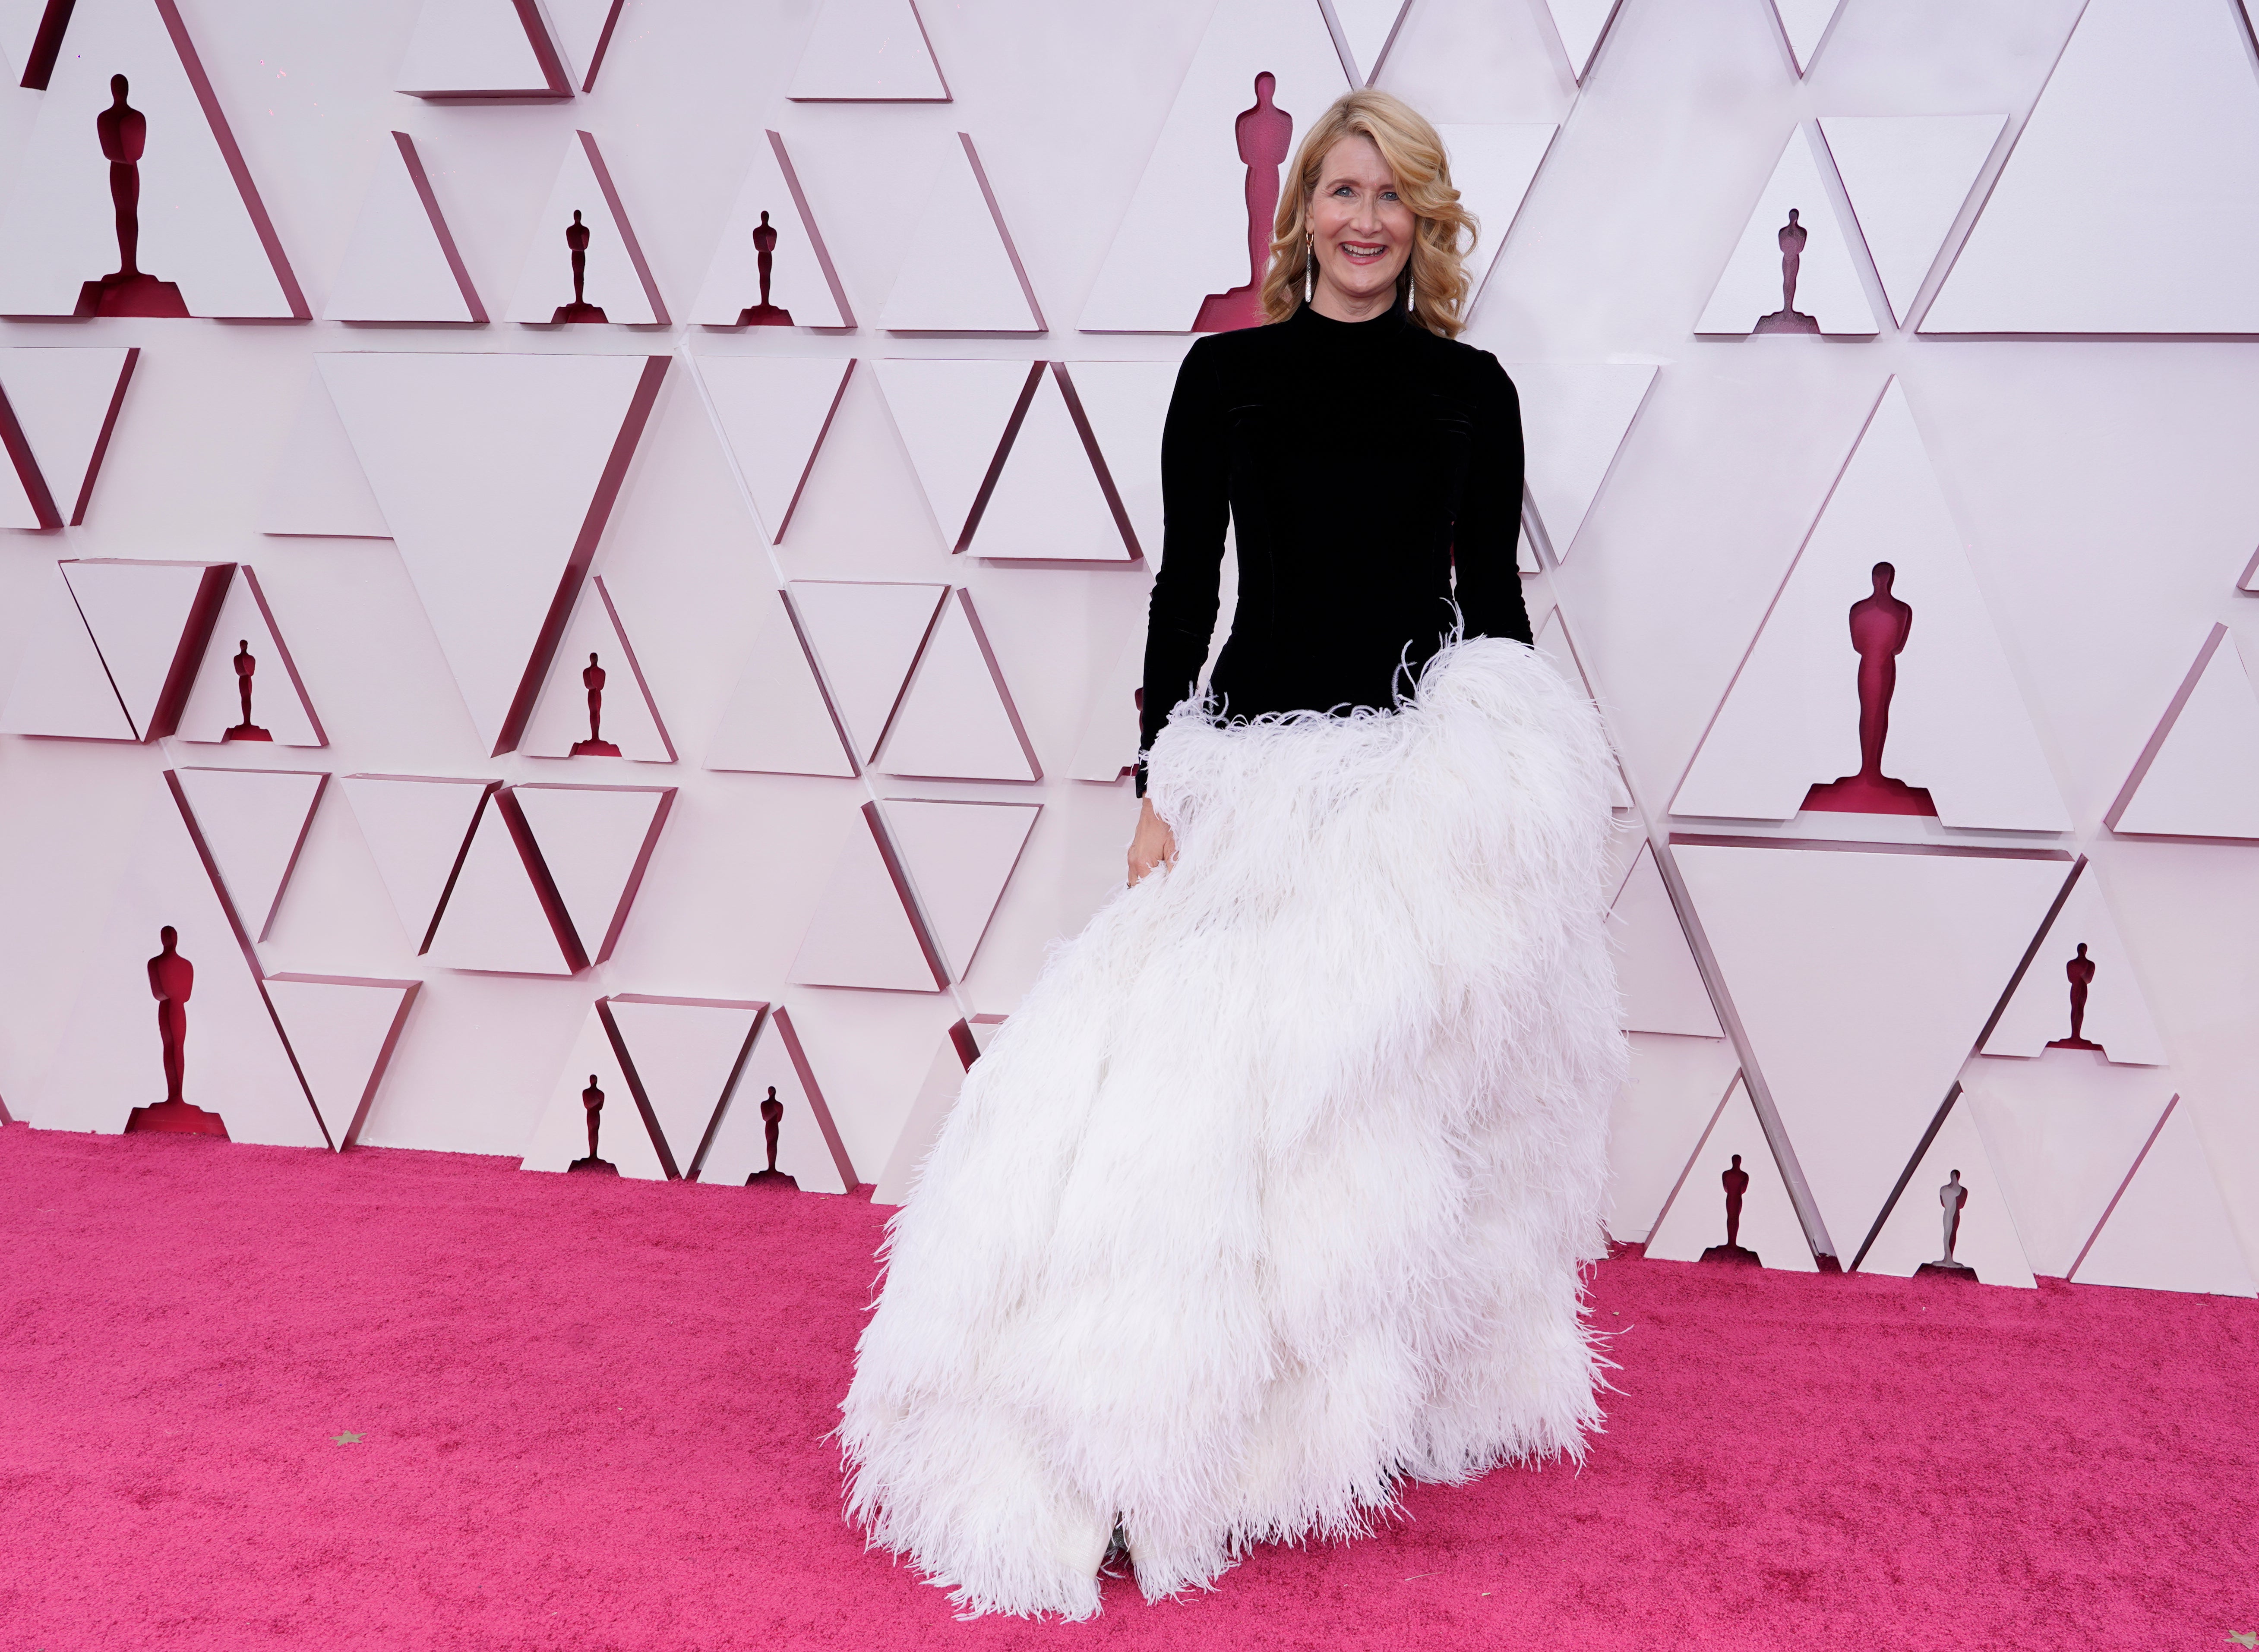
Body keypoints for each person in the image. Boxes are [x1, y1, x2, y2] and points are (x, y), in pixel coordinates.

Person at [839, 89, 1624, 1620]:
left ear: (1425, 219)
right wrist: (1161, 783)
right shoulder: (1227, 381)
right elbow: (1182, 593)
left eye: (1392, 194)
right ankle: (1132, 1435)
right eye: (1340, 188)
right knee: (1184, 1128)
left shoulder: (1474, 394)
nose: (1363, 218)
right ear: (1300, 213)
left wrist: (1516, 799)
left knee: (1357, 1149)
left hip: (1404, 806)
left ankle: (1306, 1435)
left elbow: (1498, 624)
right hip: (1250, 789)